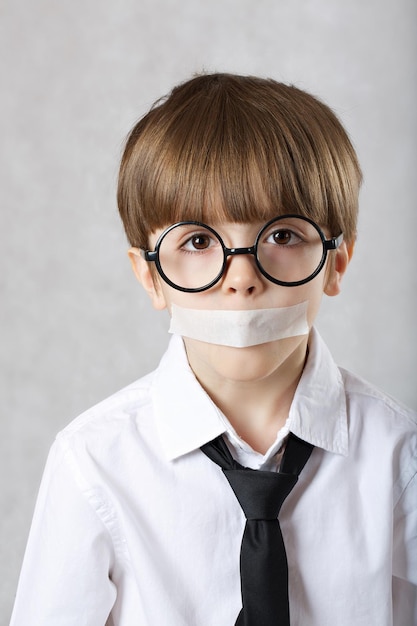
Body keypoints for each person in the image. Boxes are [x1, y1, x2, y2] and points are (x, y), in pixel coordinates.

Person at [10, 73, 416, 626]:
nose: (242, 279)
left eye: (282, 236)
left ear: (336, 262)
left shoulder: (399, 456)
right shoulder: (93, 463)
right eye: (199, 242)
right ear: (150, 277)